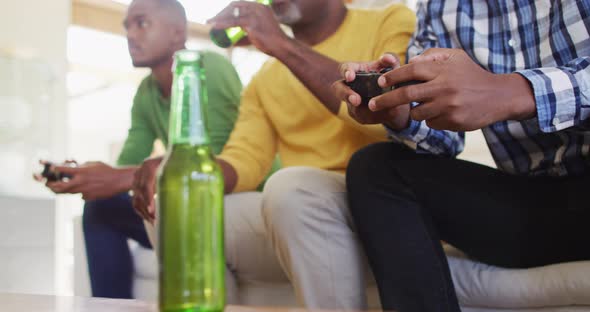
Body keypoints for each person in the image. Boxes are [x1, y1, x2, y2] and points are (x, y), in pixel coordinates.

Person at [132, 0, 415, 309]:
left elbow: (392, 112)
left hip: (376, 201)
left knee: (291, 189)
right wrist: (180, 171)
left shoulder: (390, 19)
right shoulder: (264, 80)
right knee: (174, 207)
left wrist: (281, 45)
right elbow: (245, 160)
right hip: (297, 218)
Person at [332, 0, 590, 311]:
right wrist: (401, 111)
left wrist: (515, 91)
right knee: (375, 168)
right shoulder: (439, 9)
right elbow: (442, 143)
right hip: (531, 211)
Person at [34, 0, 242, 299]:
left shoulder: (209, 68)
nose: (130, 34)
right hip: (180, 199)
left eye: (142, 23)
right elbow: (127, 166)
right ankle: (108, 307)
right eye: (127, 26)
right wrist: (85, 175)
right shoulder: (145, 94)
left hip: (229, 193)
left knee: (108, 205)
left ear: (176, 32)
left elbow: (216, 163)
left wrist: (118, 178)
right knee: (101, 207)